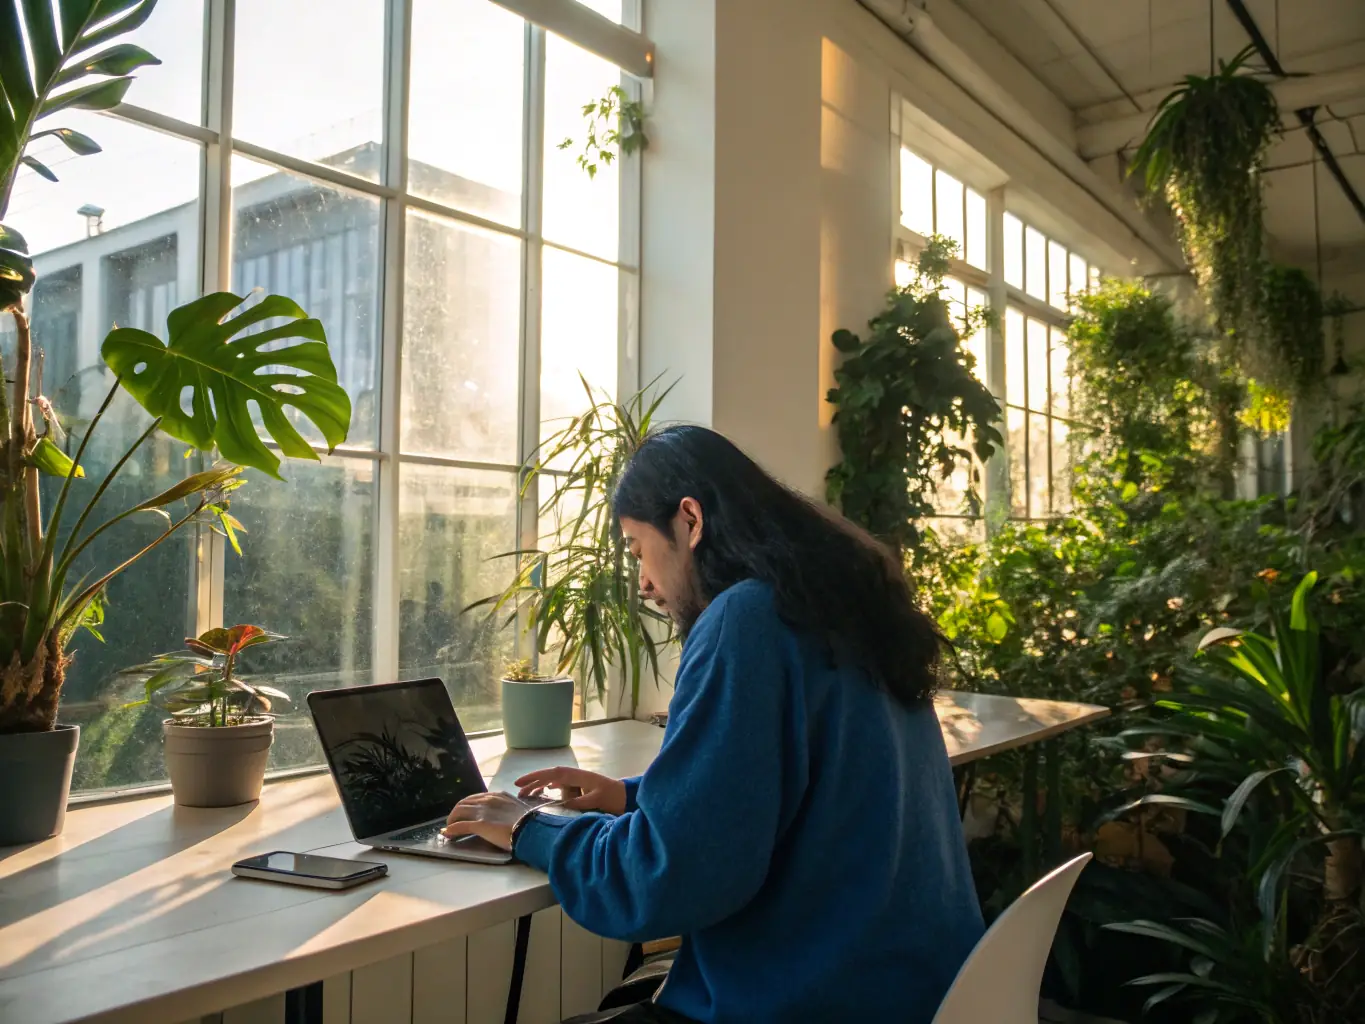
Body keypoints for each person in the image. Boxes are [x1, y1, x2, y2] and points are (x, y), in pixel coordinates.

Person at [444, 426, 984, 1023]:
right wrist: (632, 797)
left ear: (690, 520)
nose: (643, 583)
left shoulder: (747, 619)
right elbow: (808, 790)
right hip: (918, 995)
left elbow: (663, 881)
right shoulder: (848, 610)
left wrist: (528, 828)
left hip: (806, 1002)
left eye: (636, 548)